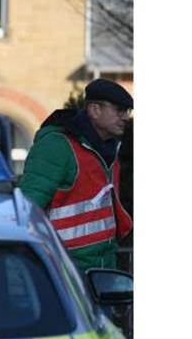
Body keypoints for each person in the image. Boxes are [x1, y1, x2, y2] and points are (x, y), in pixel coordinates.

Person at [19, 78, 132, 272]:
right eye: (119, 110)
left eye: (127, 112)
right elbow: (26, 211)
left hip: (101, 272)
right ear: (95, 110)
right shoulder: (57, 147)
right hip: (64, 273)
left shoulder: (109, 150)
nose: (125, 117)